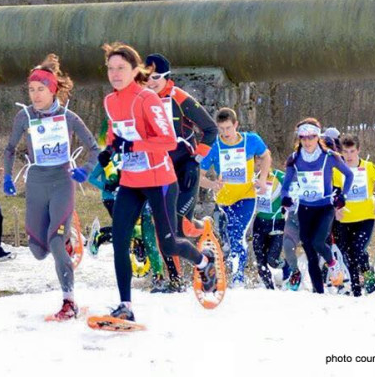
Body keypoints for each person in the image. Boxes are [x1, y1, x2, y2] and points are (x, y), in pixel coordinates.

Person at [99, 42, 218, 321]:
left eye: (121, 68)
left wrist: (133, 146)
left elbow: (166, 140)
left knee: (168, 243)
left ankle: (204, 261)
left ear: (134, 70)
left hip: (160, 180)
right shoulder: (110, 101)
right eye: (111, 69)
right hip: (131, 181)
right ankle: (126, 306)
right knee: (120, 240)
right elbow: (115, 133)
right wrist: (109, 149)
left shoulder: (147, 99)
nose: (115, 74)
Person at [3, 54, 99, 320]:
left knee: (55, 242)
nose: (35, 95)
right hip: (36, 184)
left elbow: (94, 149)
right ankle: (66, 240)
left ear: (53, 89)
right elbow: (9, 148)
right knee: (37, 251)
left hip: (62, 182)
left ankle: (69, 301)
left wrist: (85, 171)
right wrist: (7, 178)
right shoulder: (24, 116)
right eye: (31, 89)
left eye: (40, 89)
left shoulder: (69, 117)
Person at [145, 53, 218, 237]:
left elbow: (211, 129)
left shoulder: (179, 97)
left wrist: (196, 159)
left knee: (181, 227)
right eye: (146, 77)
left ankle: (205, 229)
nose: (151, 82)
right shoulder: (141, 99)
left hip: (185, 167)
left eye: (156, 77)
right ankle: (171, 266)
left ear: (166, 76)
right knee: (162, 226)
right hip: (159, 169)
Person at [280, 118, 354, 294]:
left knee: (318, 241)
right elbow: (285, 185)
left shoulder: (329, 157)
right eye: (303, 138)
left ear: (317, 137)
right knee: (309, 249)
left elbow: (349, 175)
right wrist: (285, 198)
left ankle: (334, 265)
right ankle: (318, 292)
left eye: (311, 138)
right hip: (305, 208)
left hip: (324, 208)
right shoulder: (295, 159)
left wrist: (342, 196)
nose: (307, 142)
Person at [199, 107, 272, 287]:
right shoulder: (214, 146)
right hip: (223, 202)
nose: (226, 133)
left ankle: (238, 278)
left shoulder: (251, 140)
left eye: (229, 128)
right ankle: (229, 267)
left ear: (236, 125)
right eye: (221, 129)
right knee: (228, 239)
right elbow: (198, 177)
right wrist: (213, 184)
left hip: (246, 197)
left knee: (237, 233)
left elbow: (266, 156)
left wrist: (262, 179)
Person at [333, 134, 375, 296]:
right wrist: (337, 208)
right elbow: (335, 193)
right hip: (345, 219)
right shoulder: (338, 170)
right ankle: (356, 288)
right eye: (345, 152)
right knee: (347, 253)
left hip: (366, 217)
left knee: (357, 249)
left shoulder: (368, 167)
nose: (349, 155)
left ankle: (365, 274)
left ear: (358, 150)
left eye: (352, 151)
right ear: (341, 152)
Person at [251, 157, 285, 289]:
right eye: (257, 165)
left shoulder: (280, 176)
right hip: (259, 222)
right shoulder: (252, 179)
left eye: (263, 164)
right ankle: (269, 288)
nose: (260, 168)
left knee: (272, 259)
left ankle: (287, 267)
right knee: (260, 259)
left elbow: (293, 190)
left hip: (277, 222)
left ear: (269, 162)